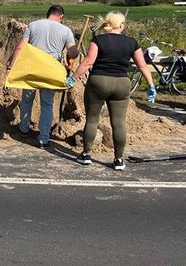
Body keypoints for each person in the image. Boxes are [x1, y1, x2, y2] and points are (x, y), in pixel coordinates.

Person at [66, 11, 156, 171]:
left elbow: (87, 62)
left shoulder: (98, 40)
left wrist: (73, 78)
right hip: (122, 83)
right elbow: (142, 66)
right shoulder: (132, 42)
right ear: (121, 25)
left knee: (92, 119)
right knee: (119, 123)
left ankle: (86, 155)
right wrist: (151, 86)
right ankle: (119, 160)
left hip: (99, 81)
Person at [8, 5, 78, 148]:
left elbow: (21, 46)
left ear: (48, 14)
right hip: (50, 71)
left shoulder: (33, 25)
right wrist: (73, 53)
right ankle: (44, 138)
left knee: (27, 100)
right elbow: (73, 53)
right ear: (61, 16)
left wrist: (12, 64)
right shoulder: (66, 30)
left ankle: (24, 129)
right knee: (47, 104)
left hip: (31, 69)